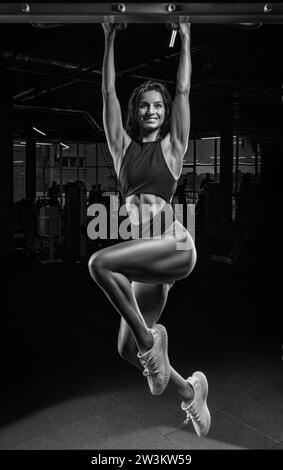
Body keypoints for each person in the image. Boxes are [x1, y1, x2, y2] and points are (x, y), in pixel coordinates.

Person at [88, 22, 211, 438]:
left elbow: (184, 92)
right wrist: (110, 36)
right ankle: (190, 392)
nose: (153, 111)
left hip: (175, 245)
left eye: (158, 105)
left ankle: (152, 345)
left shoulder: (174, 148)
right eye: (145, 105)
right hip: (148, 262)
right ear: (135, 111)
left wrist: (187, 40)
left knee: (100, 263)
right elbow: (107, 93)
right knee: (127, 348)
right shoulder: (122, 149)